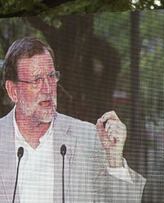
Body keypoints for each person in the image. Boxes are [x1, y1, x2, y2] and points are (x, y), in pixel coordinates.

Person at [0, 37, 146, 202]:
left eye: (51, 76)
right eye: (37, 80)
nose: (48, 88)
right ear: (13, 91)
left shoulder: (88, 138)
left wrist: (114, 160)